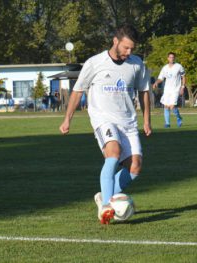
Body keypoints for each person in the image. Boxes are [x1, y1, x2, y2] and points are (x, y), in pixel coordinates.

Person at [59, 24, 152, 224]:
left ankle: (104, 196)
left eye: (132, 49)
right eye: (126, 47)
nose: (129, 52)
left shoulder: (137, 64)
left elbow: (144, 92)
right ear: (115, 41)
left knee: (135, 167)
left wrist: (146, 120)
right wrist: (68, 118)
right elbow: (78, 91)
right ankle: (107, 205)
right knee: (113, 153)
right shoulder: (95, 63)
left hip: (128, 121)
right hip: (103, 119)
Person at [153, 52, 186, 128]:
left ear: (174, 58)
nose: (172, 58)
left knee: (172, 106)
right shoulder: (165, 68)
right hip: (167, 90)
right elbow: (161, 78)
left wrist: (182, 87)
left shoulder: (179, 66)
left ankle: (179, 118)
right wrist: (156, 83)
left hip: (175, 89)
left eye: (173, 57)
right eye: (170, 57)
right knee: (166, 106)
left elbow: (183, 76)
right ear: (168, 58)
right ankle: (167, 124)